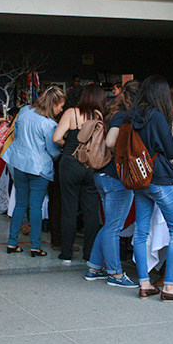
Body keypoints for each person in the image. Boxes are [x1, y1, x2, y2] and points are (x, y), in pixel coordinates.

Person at [128, 75, 173, 302]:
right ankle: (169, 286)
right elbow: (169, 147)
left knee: (141, 231)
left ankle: (144, 283)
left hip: (139, 177)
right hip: (158, 177)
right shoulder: (156, 116)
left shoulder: (132, 114)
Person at [85, 80, 140, 288]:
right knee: (114, 227)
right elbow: (110, 141)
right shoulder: (124, 116)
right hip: (116, 176)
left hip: (102, 174)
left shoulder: (112, 112)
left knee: (109, 224)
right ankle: (115, 274)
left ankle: (94, 267)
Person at [2, 86, 65, 256]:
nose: (61, 110)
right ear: (53, 104)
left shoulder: (23, 111)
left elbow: (15, 134)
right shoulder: (50, 124)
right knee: (35, 207)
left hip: (18, 162)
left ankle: (12, 243)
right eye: (60, 106)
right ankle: (35, 246)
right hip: (39, 167)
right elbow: (53, 151)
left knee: (20, 204)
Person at [53, 84, 105, 264]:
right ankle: (89, 254)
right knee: (91, 210)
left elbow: (56, 138)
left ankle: (66, 253)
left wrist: (69, 143)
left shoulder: (72, 113)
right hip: (91, 165)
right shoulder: (99, 115)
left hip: (70, 163)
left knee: (69, 209)